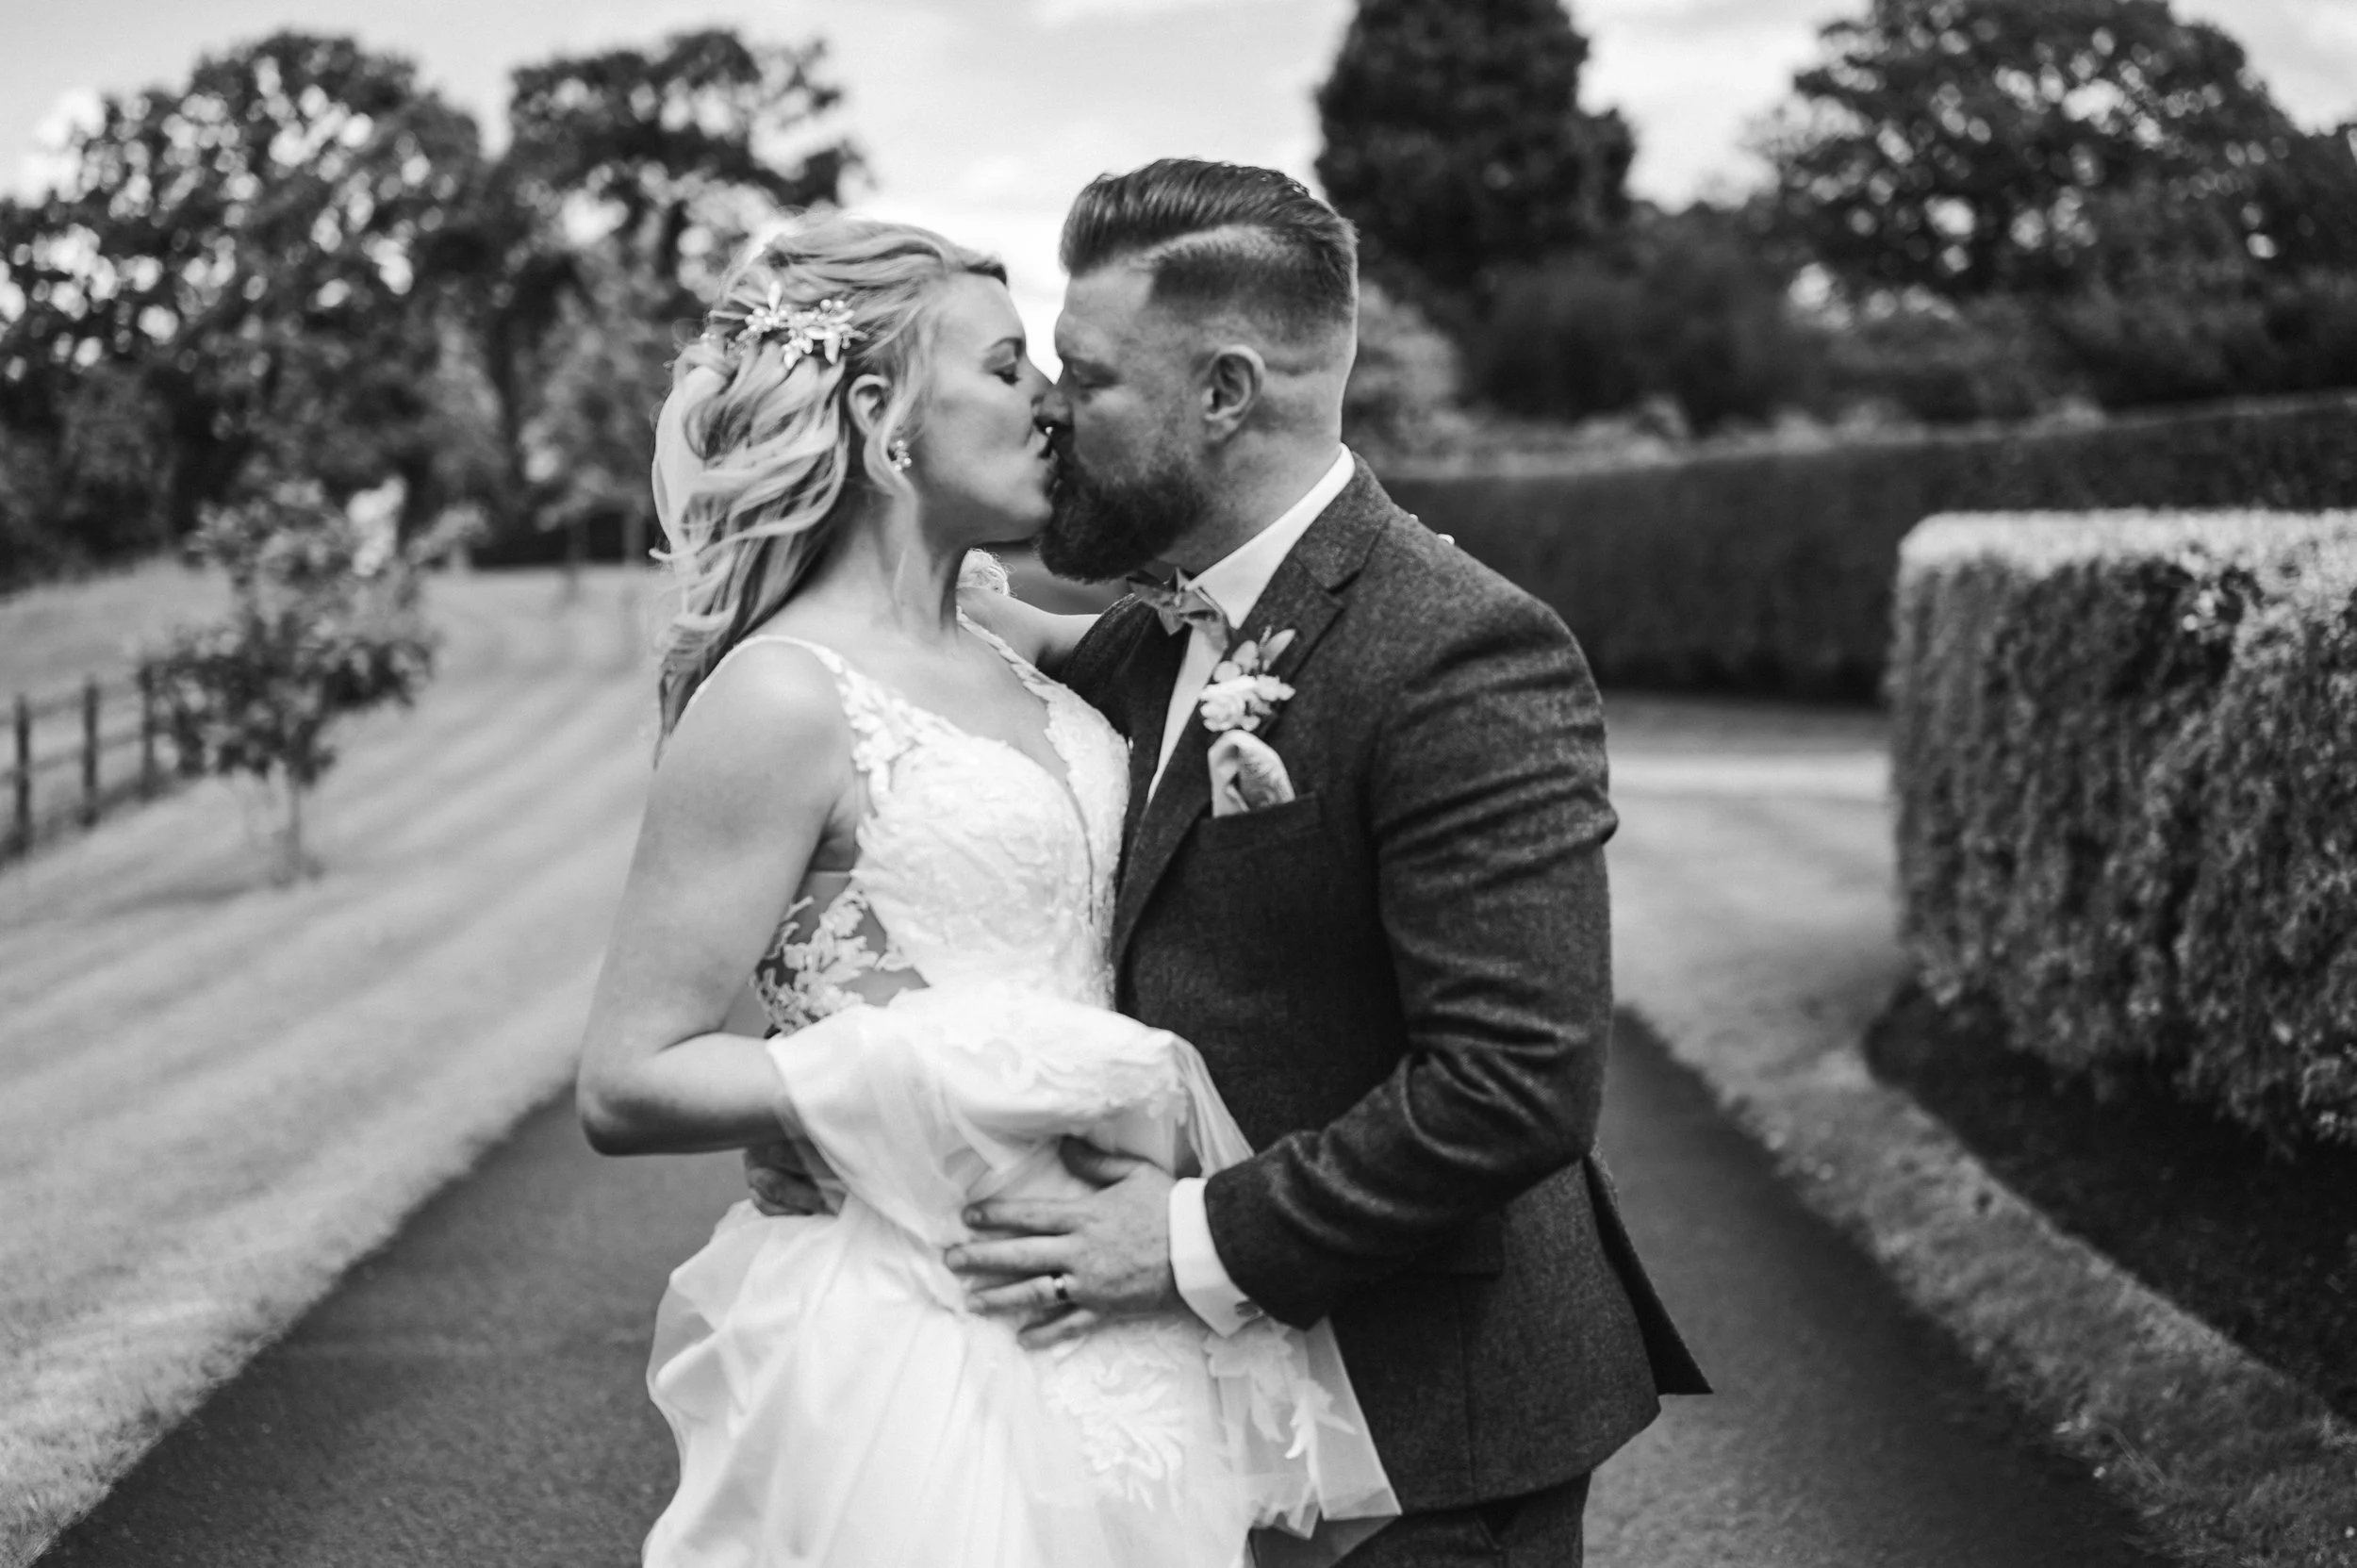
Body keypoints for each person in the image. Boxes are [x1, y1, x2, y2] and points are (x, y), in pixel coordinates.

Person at [907, 158, 1713, 1565]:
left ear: (1225, 393)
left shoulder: (1460, 648)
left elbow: (1515, 1083)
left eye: (1087, 380)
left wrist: (1180, 1241)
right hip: (1219, 1430)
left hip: (1427, 1440)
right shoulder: (1152, 634)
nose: (1049, 411)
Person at [574, 212, 1395, 1568]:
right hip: (920, 1320)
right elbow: (628, 1076)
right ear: (883, 414)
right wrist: (921, 1077)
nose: (1051, 406)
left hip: (1120, 1312)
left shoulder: (1022, 654)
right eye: (1010, 367)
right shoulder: (781, 695)